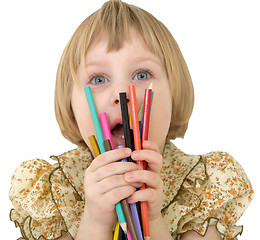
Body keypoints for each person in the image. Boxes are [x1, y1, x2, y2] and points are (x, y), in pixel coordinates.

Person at [9, 0, 254, 239]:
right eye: (98, 79)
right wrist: (95, 223)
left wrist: (153, 221)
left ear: (174, 92)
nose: (121, 94)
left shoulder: (205, 184)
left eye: (142, 74)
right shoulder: (52, 190)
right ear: (70, 105)